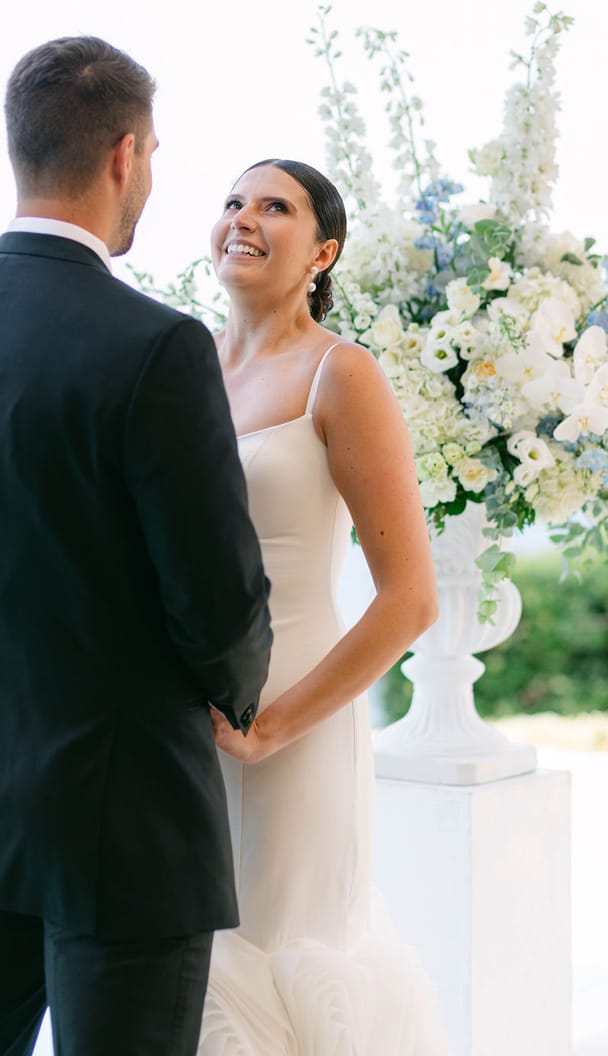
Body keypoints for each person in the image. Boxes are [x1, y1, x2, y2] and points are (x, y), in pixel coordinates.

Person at [0, 37, 272, 1056]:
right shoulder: (157, 345)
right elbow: (214, 604)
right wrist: (237, 694)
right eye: (157, 154)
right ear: (124, 154)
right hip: (125, 818)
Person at [199, 158, 448, 1053]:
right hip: (185, 724)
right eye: (233, 202)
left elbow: (410, 599)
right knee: (195, 958)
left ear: (323, 251)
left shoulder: (342, 376)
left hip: (295, 721)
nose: (244, 218)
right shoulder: (185, 367)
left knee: (281, 955)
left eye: (276, 206)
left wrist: (276, 726)